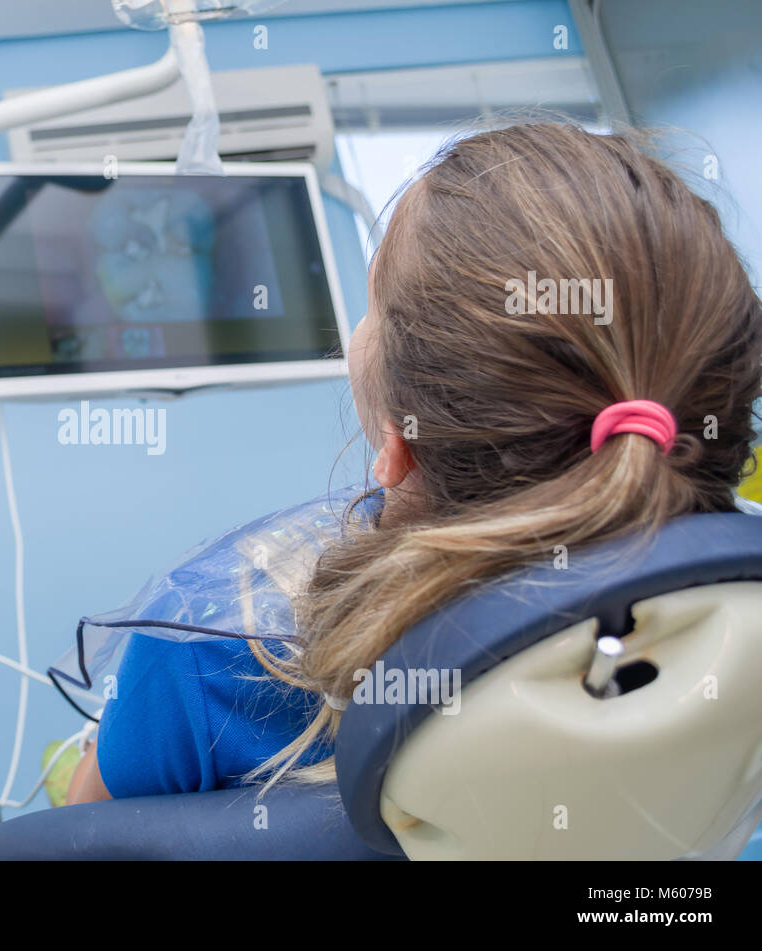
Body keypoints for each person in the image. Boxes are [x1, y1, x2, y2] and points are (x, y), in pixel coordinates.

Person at [66, 121, 762, 803]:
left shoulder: (209, 650)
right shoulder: (738, 610)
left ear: (398, 444)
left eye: (371, 306)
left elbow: (84, 836)